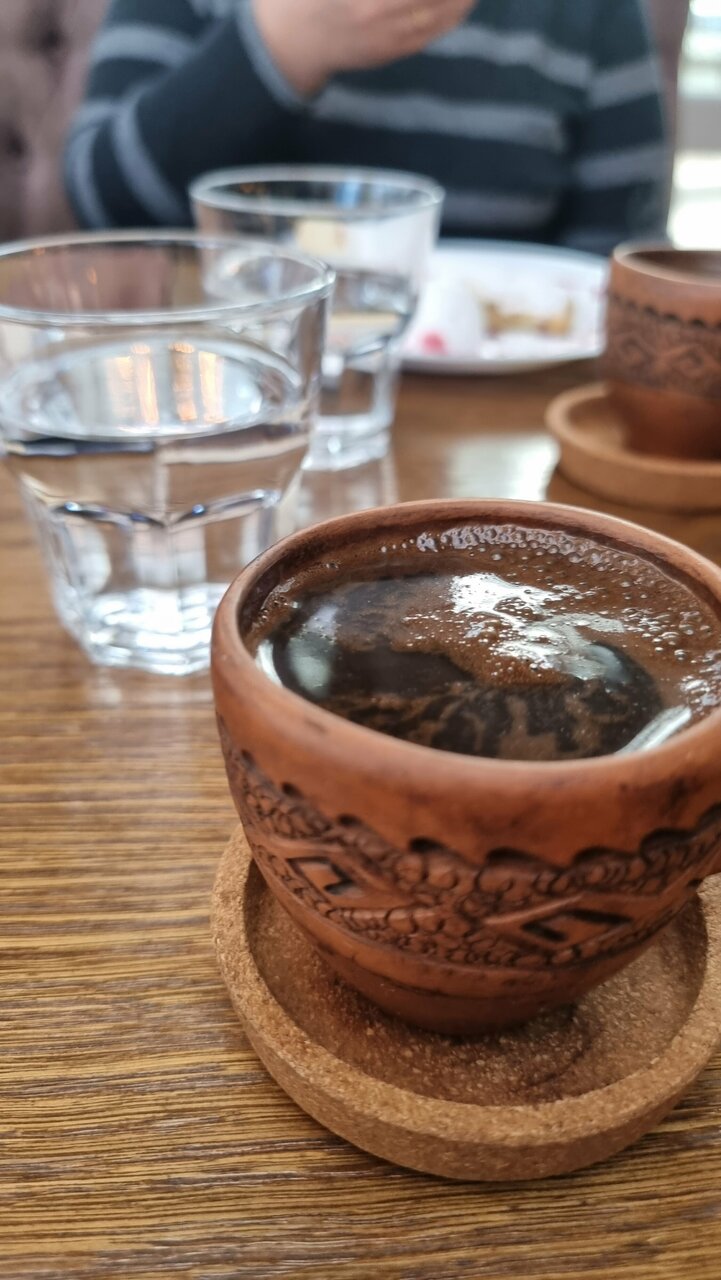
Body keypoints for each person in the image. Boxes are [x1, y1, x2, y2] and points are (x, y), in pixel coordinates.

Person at [65, 0, 670, 254]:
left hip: (506, 429)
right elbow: (101, 207)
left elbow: (621, 263)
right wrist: (282, 47)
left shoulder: (592, 11)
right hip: (222, 397)